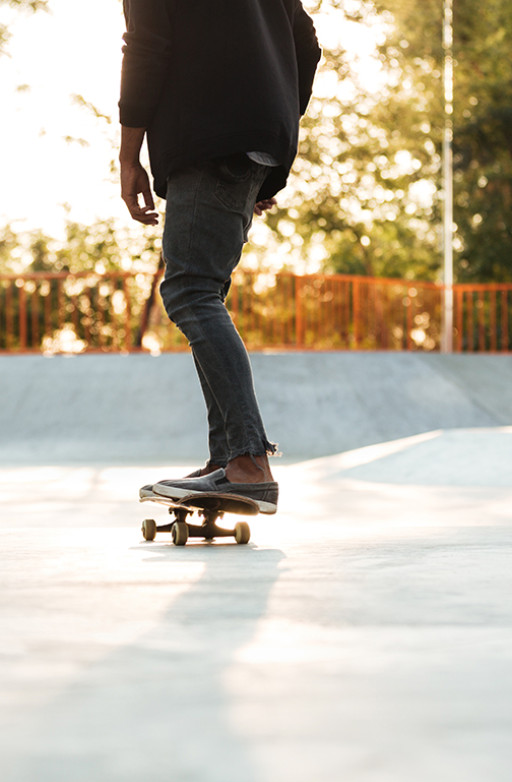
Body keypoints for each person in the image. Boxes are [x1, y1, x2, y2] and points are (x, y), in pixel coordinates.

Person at [118, 0, 321, 514]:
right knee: (205, 292)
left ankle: (249, 461)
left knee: (189, 291)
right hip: (258, 140)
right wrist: (268, 125)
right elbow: (307, 45)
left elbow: (146, 46)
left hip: (207, 138)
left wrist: (128, 156)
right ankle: (227, 460)